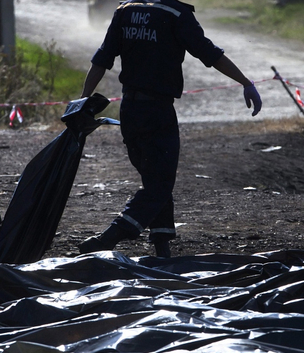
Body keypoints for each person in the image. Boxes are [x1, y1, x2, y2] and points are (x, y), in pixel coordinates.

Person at [77, 0, 262, 258]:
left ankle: (162, 248)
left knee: (155, 178)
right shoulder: (177, 14)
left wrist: (84, 99)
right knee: (160, 184)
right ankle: (111, 236)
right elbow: (210, 53)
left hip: (129, 111)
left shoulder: (125, 11)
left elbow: (102, 59)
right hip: (157, 113)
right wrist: (245, 82)